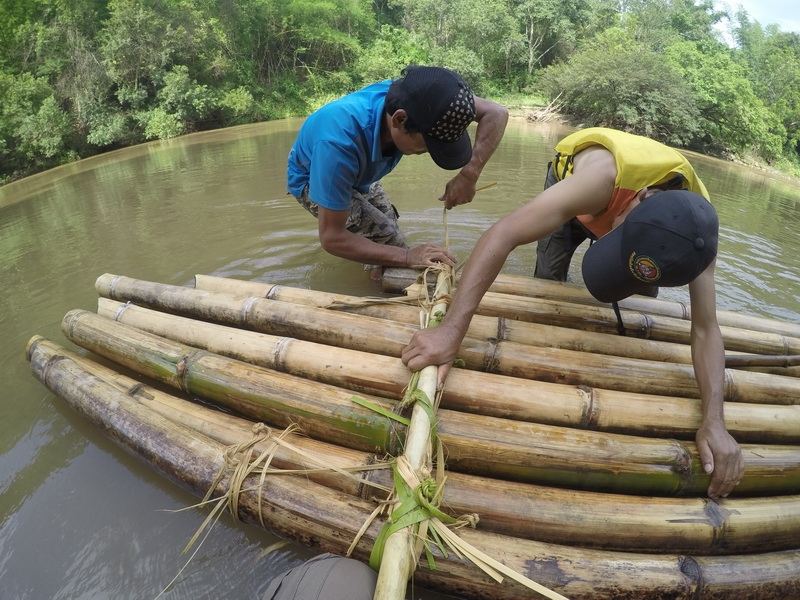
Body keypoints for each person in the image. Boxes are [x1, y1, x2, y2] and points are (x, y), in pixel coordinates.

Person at [400, 127, 744, 500]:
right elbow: (503, 234)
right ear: (640, 199)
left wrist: (715, 420)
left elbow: (707, 329)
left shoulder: (697, 238)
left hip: (637, 224)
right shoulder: (597, 181)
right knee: (549, 281)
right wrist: (450, 333)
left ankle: (631, 264)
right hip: (586, 187)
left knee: (643, 300)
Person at [287, 65, 508, 278]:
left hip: (359, 170)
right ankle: (380, 294)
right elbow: (331, 238)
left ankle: (376, 270)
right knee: (388, 238)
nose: (429, 154)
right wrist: (406, 256)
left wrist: (469, 174)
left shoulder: (419, 97)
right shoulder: (337, 146)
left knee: (388, 223)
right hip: (314, 176)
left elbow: (497, 113)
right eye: (428, 145)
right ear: (399, 120)